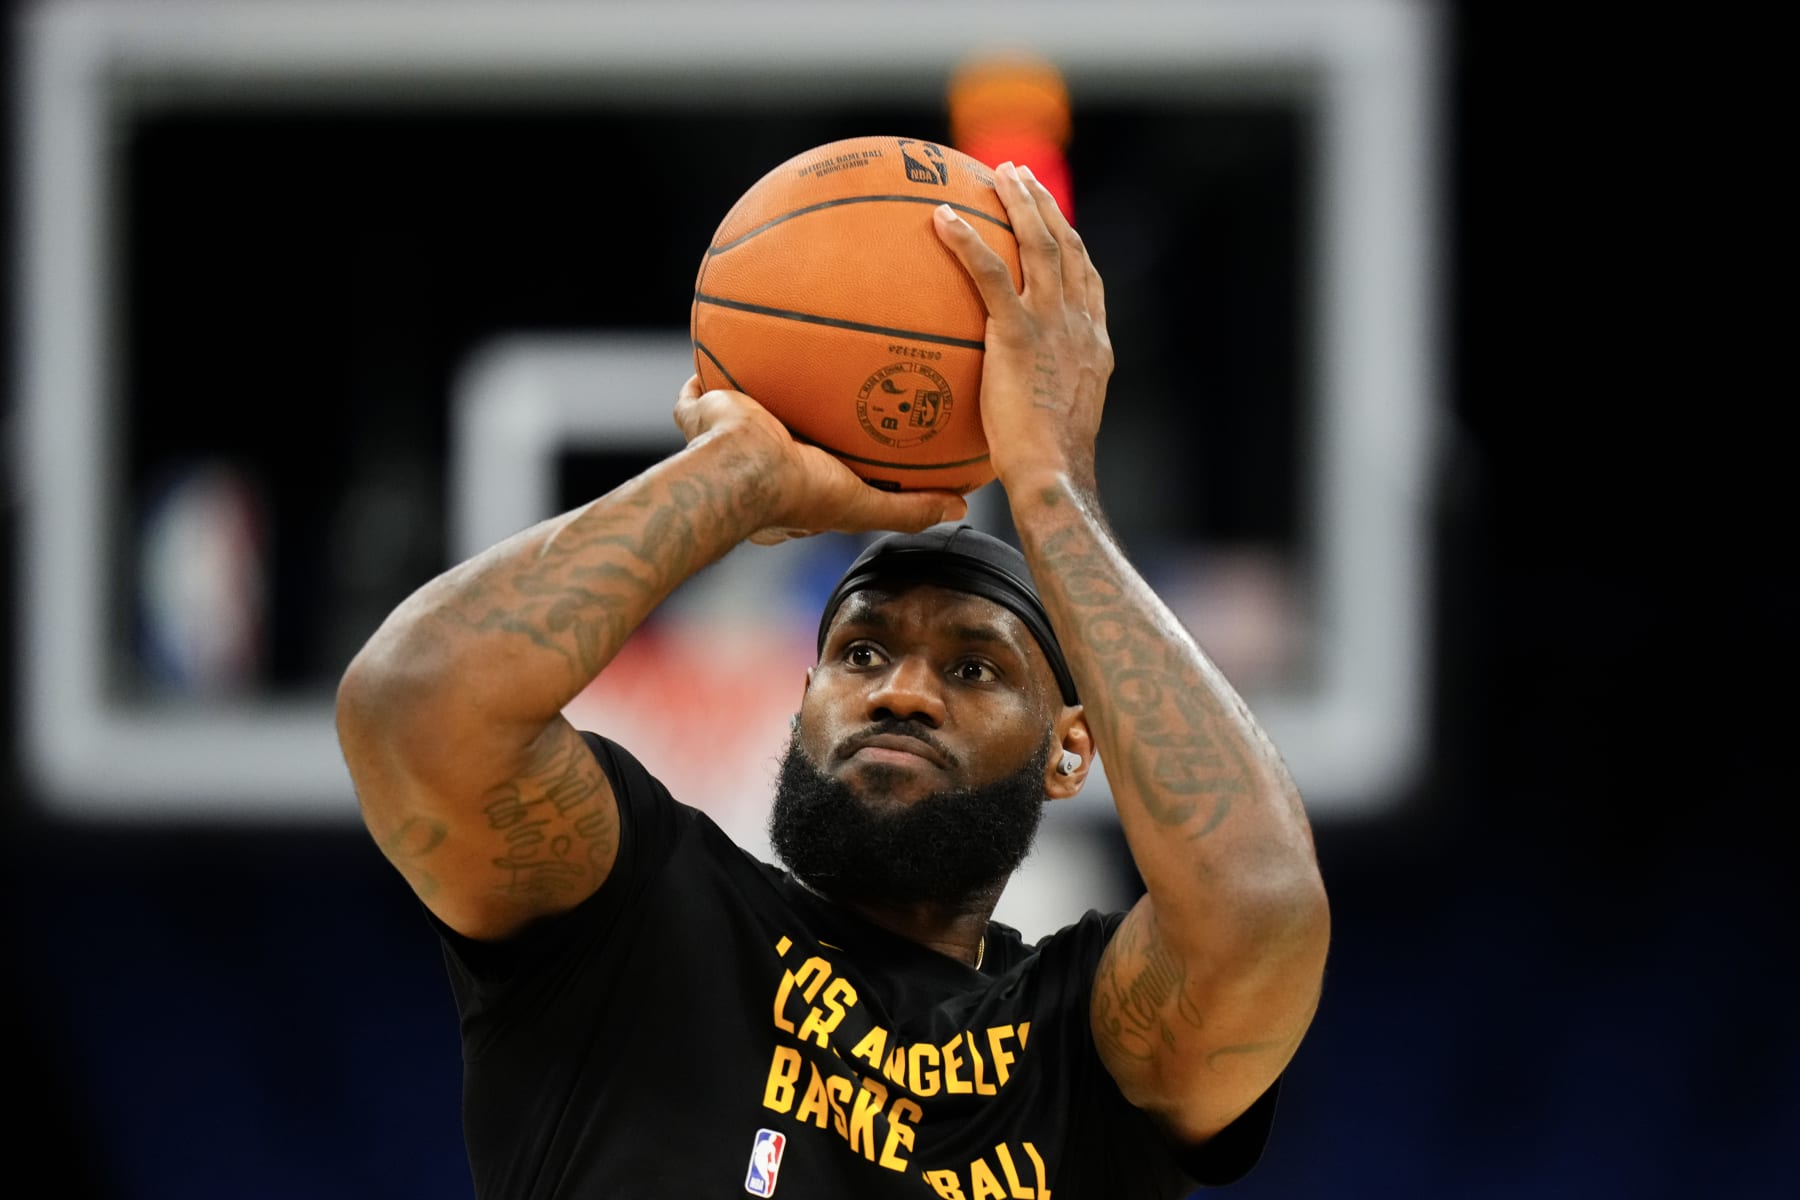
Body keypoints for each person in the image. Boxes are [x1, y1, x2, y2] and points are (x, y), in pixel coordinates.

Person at [336, 160, 1329, 1198]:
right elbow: (411, 708)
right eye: (860, 651)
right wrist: (734, 479)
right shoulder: (645, 924)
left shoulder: (1074, 1048)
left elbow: (1261, 910)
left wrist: (1050, 490)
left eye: (975, 667)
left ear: (1070, 751)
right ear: (801, 698)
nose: (902, 689)